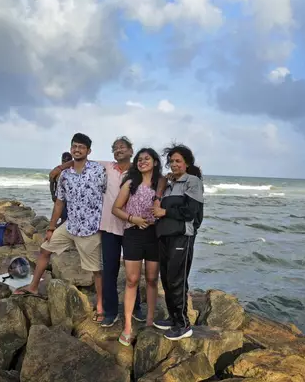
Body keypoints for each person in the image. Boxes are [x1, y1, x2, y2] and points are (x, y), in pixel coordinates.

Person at [50, 137, 143, 326]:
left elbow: (156, 180)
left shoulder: (139, 170)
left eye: (122, 147)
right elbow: (78, 159)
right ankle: (110, 311)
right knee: (109, 271)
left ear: (131, 151)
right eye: (115, 148)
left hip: (132, 227)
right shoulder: (105, 166)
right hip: (108, 226)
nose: (118, 150)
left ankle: (136, 308)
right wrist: (60, 169)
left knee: (133, 272)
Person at [15, 133, 107, 322]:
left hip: (90, 229)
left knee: (97, 270)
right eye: (74, 146)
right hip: (69, 225)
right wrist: (50, 228)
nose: (77, 149)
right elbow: (59, 203)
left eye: (81, 147)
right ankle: (33, 286)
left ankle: (100, 306)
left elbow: (110, 192)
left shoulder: (99, 170)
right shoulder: (65, 175)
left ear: (89, 151)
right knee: (45, 249)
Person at [151, 144, 204, 341]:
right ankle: (173, 317)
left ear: (187, 163)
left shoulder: (193, 182)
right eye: (171, 161)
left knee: (177, 279)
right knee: (166, 278)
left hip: (182, 236)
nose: (174, 164)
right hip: (165, 236)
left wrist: (165, 211)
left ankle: (183, 324)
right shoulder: (170, 184)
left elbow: (190, 212)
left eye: (178, 161)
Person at [111, 148, 163, 346]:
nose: (142, 162)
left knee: (151, 279)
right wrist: (133, 218)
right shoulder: (131, 183)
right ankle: (127, 326)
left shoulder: (162, 183)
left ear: (155, 162)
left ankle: (149, 321)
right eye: (139, 159)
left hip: (154, 235)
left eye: (147, 159)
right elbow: (115, 208)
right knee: (132, 280)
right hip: (133, 233)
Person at [50, 152, 72, 225]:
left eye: (67, 161)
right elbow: (52, 183)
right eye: (64, 161)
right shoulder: (57, 171)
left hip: (70, 198)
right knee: (61, 214)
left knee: (67, 215)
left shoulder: (73, 171)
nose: (65, 162)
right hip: (59, 197)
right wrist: (53, 194)